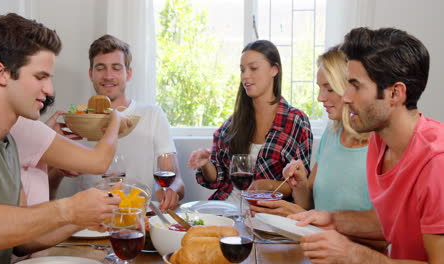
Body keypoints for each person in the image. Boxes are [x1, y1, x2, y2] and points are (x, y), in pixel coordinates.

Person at [290, 27, 444, 263]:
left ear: (395, 93)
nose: (347, 96)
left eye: (356, 85)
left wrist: (353, 254)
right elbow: (389, 221)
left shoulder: (437, 164)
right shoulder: (379, 141)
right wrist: (332, 219)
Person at [0, 13, 120, 264]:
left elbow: (22, 242)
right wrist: (69, 209)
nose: (50, 90)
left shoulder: (8, 144)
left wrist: (80, 217)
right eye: (40, 77)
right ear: (1, 73)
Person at [250, 46, 372, 216]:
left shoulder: (380, 145)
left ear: (352, 88)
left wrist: (297, 214)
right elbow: (309, 204)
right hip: (318, 240)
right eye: (320, 88)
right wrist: (300, 184)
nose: (320, 98)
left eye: (329, 89)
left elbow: (384, 230)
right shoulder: (331, 134)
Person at [188, 40, 313, 201]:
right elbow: (217, 179)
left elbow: (302, 185)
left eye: (253, 68)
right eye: (242, 70)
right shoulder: (233, 123)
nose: (245, 75)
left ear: (274, 69)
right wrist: (206, 164)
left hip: (267, 215)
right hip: (226, 208)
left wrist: (269, 186)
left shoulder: (296, 121)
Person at [72, 34, 184, 210]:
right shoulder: (77, 121)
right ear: (91, 74)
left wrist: (171, 190)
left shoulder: (152, 115)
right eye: (100, 68)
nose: (108, 76)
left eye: (116, 68)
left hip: (139, 216)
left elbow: (176, 180)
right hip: (90, 219)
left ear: (128, 73)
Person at [11, 95, 131, 206]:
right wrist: (115, 120)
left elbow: (46, 198)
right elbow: (99, 162)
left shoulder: (18, 128)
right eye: (39, 77)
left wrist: (46, 138)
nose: (49, 90)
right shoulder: (22, 127)